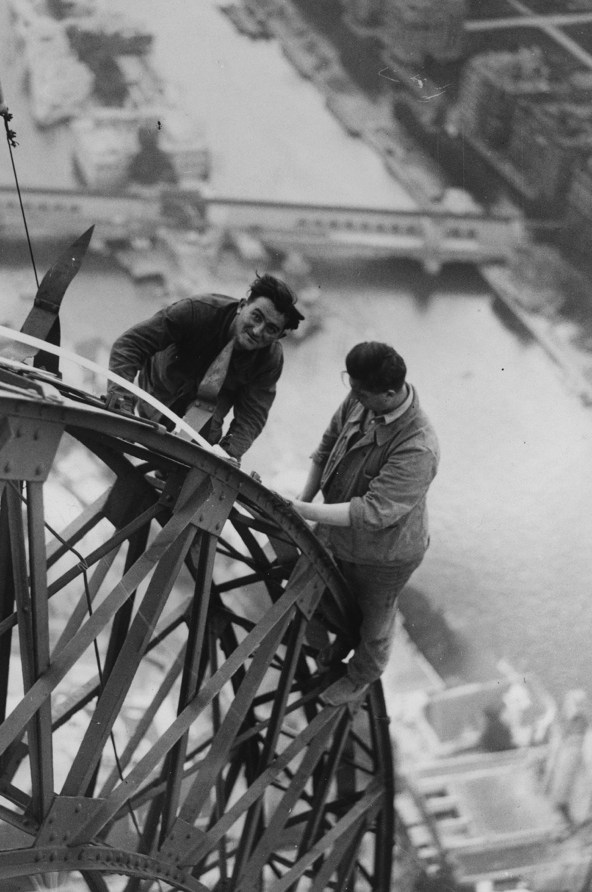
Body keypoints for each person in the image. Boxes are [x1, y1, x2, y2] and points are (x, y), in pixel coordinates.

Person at [291, 341, 439, 707]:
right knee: (322, 587)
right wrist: (304, 501)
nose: (352, 396)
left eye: (360, 391)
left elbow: (372, 513)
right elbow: (326, 448)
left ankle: (361, 675)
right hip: (335, 527)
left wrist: (300, 511)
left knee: (376, 619)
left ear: (389, 394)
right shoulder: (362, 397)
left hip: (386, 553)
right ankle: (341, 639)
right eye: (351, 386)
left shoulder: (418, 446)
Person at [105, 274, 302, 461]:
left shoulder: (271, 359)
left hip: (210, 409)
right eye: (256, 317)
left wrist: (228, 453)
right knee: (153, 433)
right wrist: (122, 403)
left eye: (271, 329)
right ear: (242, 306)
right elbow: (130, 345)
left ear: (280, 337)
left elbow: (253, 415)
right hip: (162, 388)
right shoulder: (197, 311)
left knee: (195, 455)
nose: (258, 331)